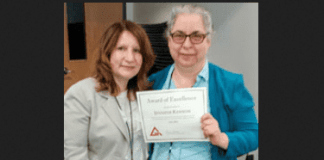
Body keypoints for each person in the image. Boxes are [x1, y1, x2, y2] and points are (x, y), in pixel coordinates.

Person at [148, 4, 258, 160]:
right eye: (179, 35)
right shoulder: (151, 83)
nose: (186, 45)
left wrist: (221, 138)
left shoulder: (230, 84)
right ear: (169, 40)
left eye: (196, 36)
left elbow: (253, 135)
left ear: (208, 40)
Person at [64, 20, 156, 160]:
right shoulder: (81, 94)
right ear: (107, 53)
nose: (130, 58)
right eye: (121, 48)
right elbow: (74, 154)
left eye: (136, 50)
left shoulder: (144, 94)